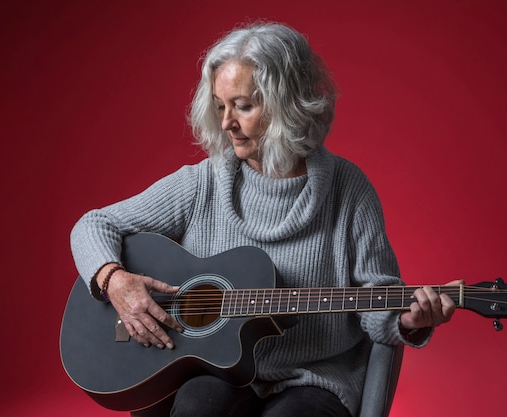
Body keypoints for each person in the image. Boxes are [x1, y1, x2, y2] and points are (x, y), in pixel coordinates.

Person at [70, 22, 458, 417]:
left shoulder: (348, 190)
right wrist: (114, 281)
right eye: (221, 106)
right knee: (197, 407)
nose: (226, 123)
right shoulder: (203, 183)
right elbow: (93, 225)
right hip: (215, 371)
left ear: (288, 103)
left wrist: (408, 321)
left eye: (243, 105)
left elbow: (379, 306)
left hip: (314, 378)